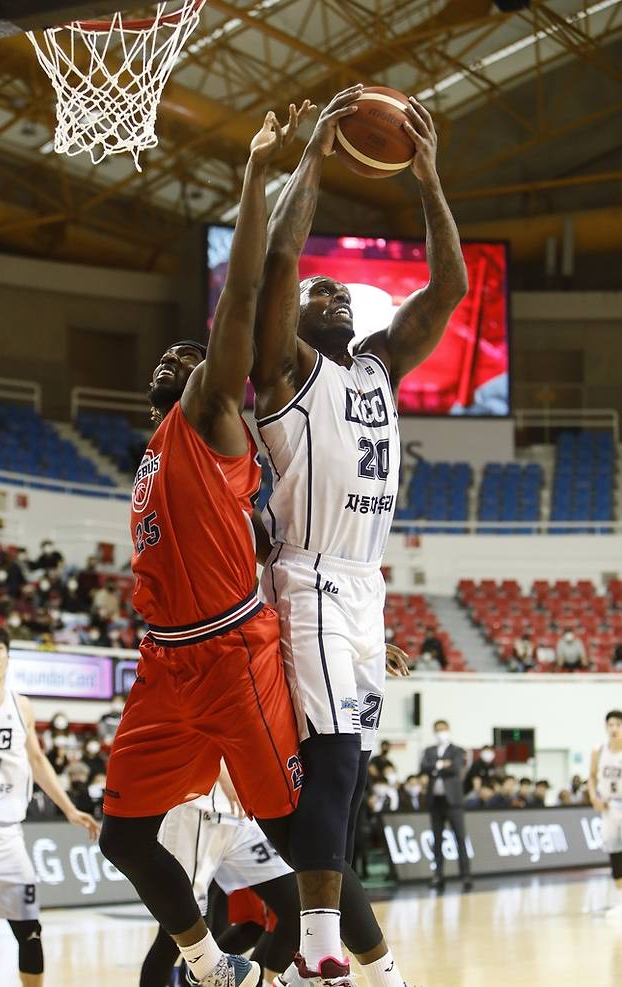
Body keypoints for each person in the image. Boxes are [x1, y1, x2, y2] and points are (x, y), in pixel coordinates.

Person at [252, 82, 466, 986]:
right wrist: (313, 158)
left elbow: (449, 286)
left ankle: (277, 947)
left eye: (345, 290)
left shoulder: (379, 365)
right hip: (305, 579)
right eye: (320, 289)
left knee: (329, 786)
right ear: (296, 318)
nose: (332, 290)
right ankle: (315, 943)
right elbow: (278, 261)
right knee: (334, 760)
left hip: (363, 587)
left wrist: (427, 180)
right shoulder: (284, 369)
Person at [99, 108, 309, 987]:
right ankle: (209, 961)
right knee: (122, 837)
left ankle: (325, 961)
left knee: (301, 843)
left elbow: (247, 295)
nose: (181, 361)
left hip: (231, 651)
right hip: (165, 664)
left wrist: (259, 173)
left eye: (196, 357)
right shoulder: (152, 452)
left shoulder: (208, 416)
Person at [0, 621, 99, 987]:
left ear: (8, 656)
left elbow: (37, 761)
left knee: (30, 931)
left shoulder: (21, 706)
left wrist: (69, 809)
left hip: (8, 837)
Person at [139, 766, 299, 987]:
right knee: (177, 929)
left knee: (296, 906)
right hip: (196, 808)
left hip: (240, 814)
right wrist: (222, 775)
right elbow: (204, 733)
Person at [420, 719, 472, 891]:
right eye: (437, 730)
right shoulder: (429, 750)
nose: (440, 732)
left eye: (443, 729)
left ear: (448, 730)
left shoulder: (457, 750)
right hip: (436, 801)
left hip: (453, 802)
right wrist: (441, 765)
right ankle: (438, 875)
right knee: (437, 840)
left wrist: (436, 767)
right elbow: (424, 767)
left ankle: (465, 875)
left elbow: (455, 768)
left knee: (460, 838)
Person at [588, 709, 622, 920]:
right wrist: (593, 797)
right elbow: (591, 777)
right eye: (610, 725)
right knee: (614, 853)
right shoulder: (598, 751)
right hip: (609, 807)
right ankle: (621, 901)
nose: (613, 729)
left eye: (617, 724)